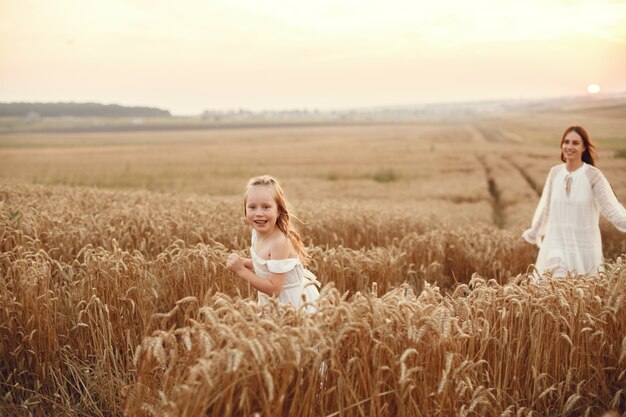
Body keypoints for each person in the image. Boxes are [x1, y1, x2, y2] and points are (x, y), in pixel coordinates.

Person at [522, 125, 626, 277]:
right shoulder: (555, 173)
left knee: (581, 296)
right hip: (555, 244)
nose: (569, 146)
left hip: (584, 248)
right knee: (553, 294)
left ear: (584, 147)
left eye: (575, 143)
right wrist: (533, 233)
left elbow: (611, 210)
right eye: (566, 142)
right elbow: (546, 209)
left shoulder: (593, 175)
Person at [227, 175, 320, 312]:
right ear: (245, 210)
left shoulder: (279, 243)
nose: (258, 213)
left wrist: (240, 270)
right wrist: (247, 262)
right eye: (252, 207)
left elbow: (274, 289)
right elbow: (268, 265)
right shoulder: (256, 233)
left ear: (279, 211)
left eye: (266, 207)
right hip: (273, 302)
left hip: (292, 304)